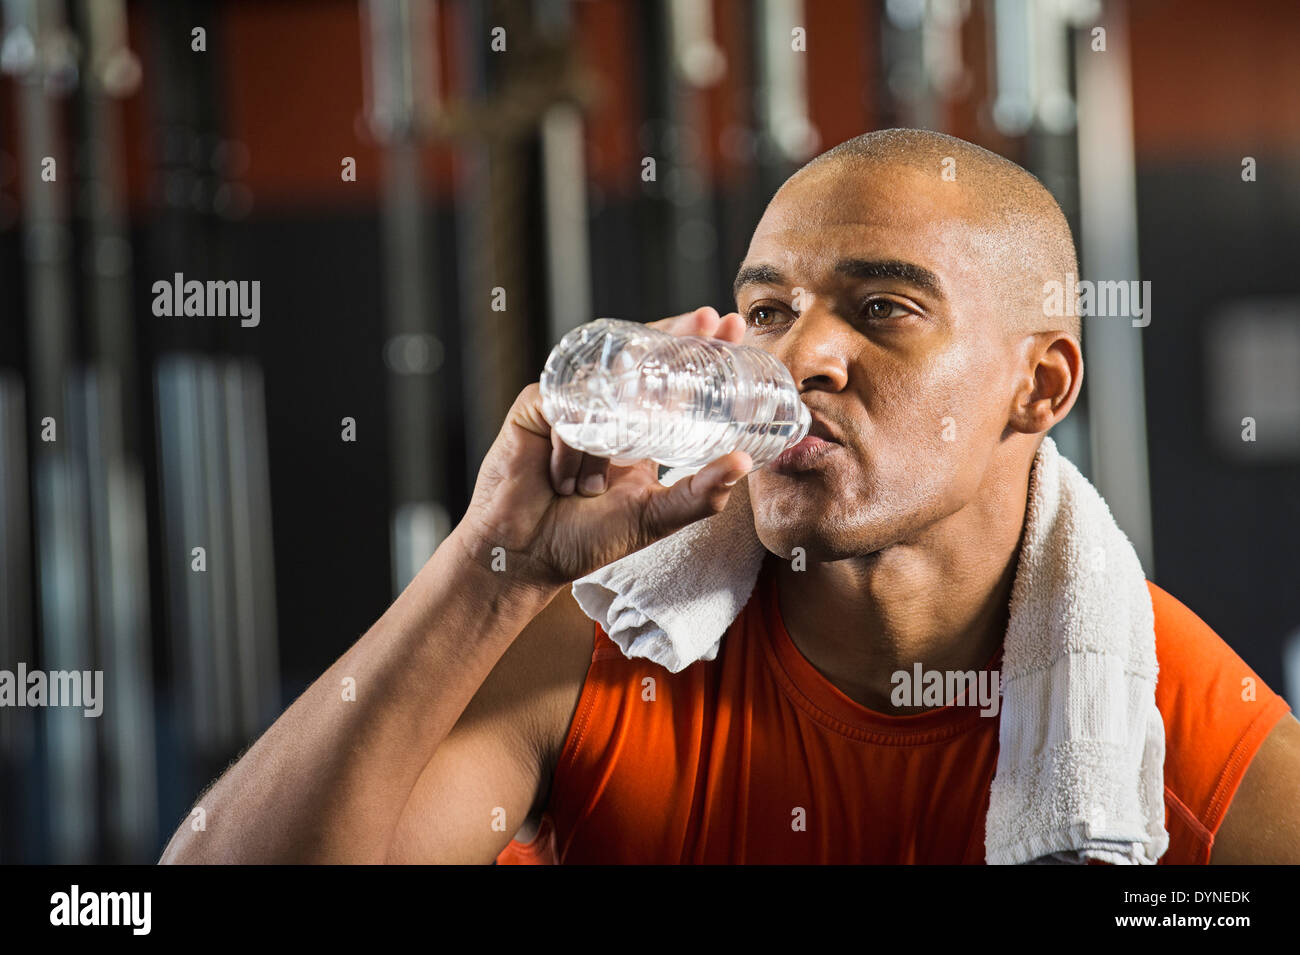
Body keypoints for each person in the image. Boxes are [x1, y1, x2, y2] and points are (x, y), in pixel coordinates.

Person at [159, 129, 1299, 865]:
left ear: (1036, 386)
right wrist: (487, 566)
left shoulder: (1187, 738)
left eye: (883, 308)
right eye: (766, 311)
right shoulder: (603, 643)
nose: (800, 357)